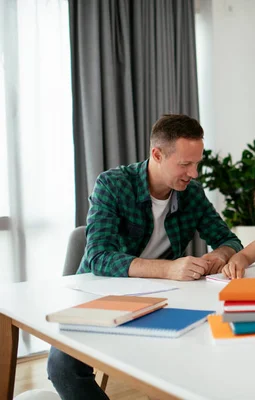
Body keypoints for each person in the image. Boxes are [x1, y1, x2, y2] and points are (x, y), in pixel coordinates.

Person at [47, 114, 243, 399]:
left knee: (194, 354)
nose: (194, 173)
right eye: (185, 164)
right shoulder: (113, 185)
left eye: (197, 163)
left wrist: (219, 256)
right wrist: (169, 269)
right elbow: (99, 256)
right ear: (157, 154)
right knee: (62, 366)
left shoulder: (192, 194)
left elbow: (229, 240)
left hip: (162, 302)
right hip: (101, 297)